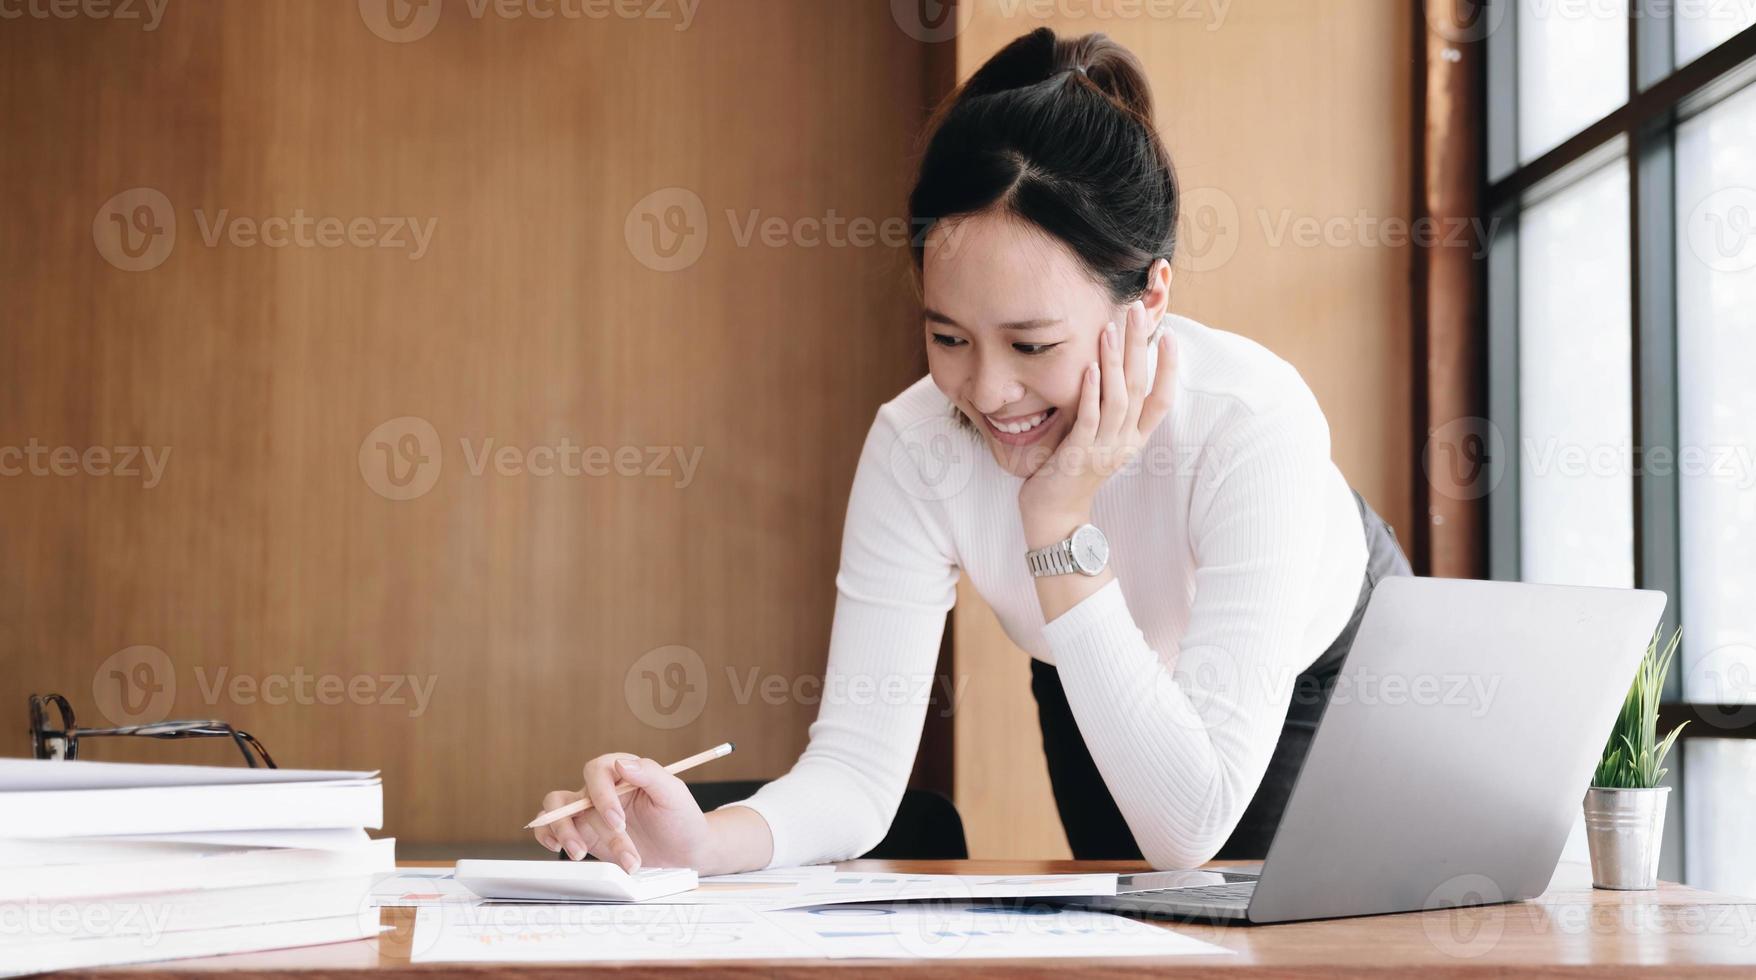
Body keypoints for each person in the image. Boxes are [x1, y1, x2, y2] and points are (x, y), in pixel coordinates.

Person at [531, 27, 1411, 874]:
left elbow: (1191, 823)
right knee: (1142, 924)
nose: (987, 394)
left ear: (1147, 299)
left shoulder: (1248, 423)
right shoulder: (916, 444)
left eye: (1031, 346)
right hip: (1095, 650)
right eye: (949, 338)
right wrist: (703, 841)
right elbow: (856, 772)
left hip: (1328, 676)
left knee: (1299, 932)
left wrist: (1057, 518)